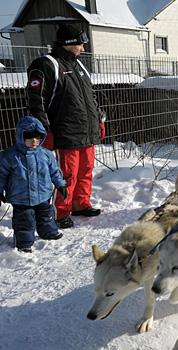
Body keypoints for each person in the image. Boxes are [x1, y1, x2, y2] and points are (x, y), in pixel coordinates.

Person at [26, 24, 105, 229]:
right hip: (65, 133)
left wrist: (99, 120)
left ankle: (81, 204)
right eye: (80, 44)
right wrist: (45, 130)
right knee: (66, 175)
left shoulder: (80, 66)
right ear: (69, 43)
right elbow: (36, 102)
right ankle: (61, 212)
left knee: (86, 170)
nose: (83, 48)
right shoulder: (47, 64)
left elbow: (91, 98)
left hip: (86, 132)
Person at [0, 116, 67, 253]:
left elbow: (55, 172)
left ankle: (48, 232)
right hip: (21, 197)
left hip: (43, 194)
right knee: (25, 221)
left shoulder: (46, 154)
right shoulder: (10, 156)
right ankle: (24, 242)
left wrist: (60, 184)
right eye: (30, 138)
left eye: (38, 138)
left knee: (46, 215)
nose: (34, 141)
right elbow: (1, 175)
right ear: (20, 136)